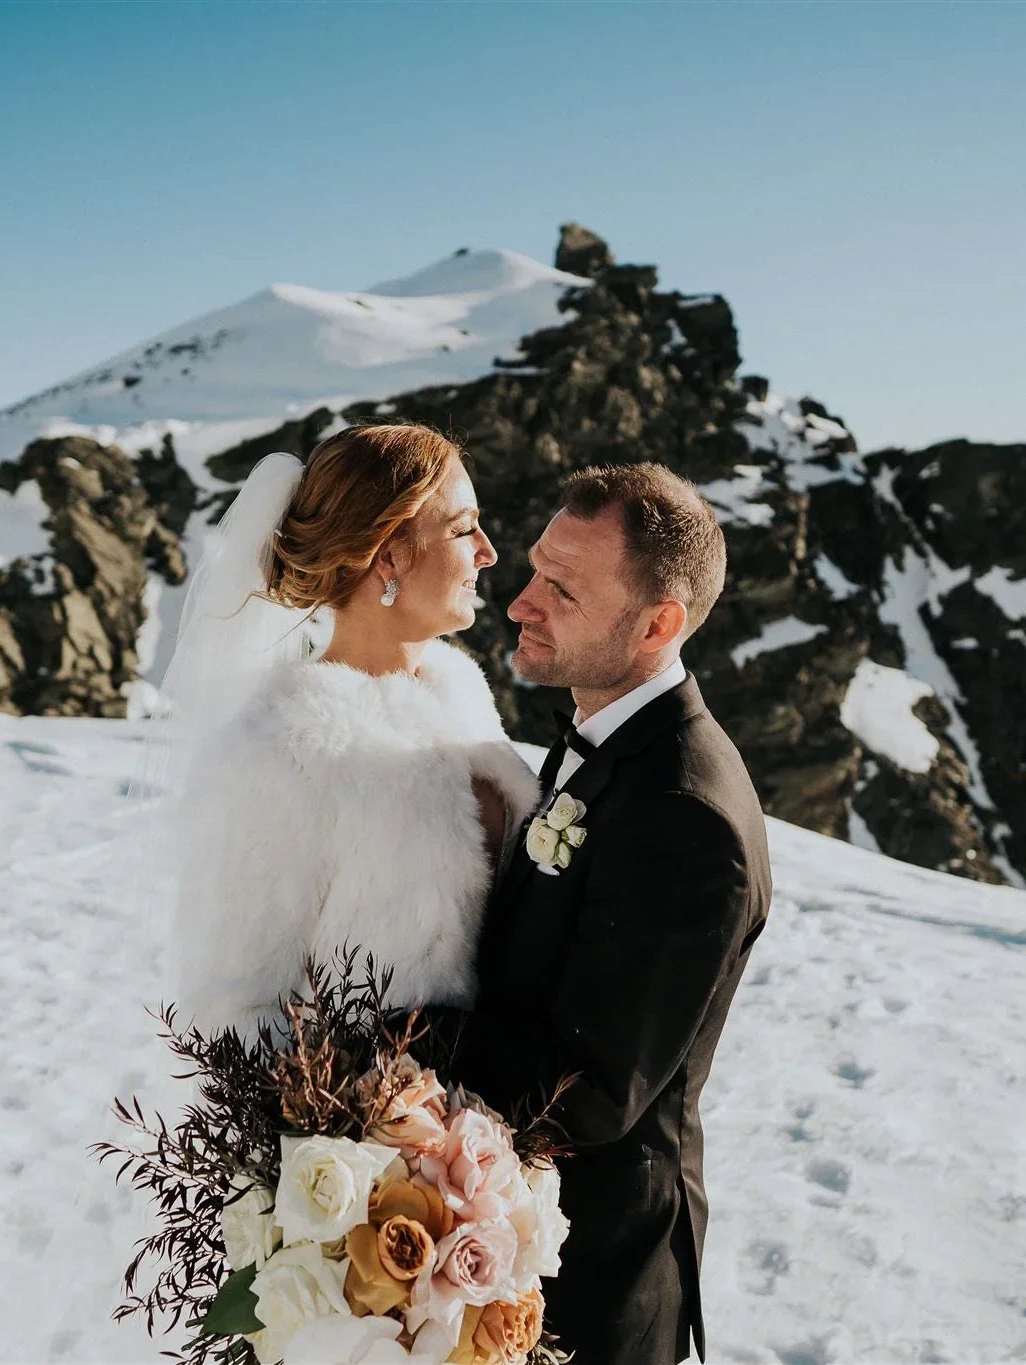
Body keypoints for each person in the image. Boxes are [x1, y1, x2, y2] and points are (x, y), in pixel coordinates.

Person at [451, 463, 773, 1365]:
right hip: (515, 1249)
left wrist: (395, 1035)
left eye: (562, 587)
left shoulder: (686, 814)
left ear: (657, 623)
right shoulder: (608, 743)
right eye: (533, 570)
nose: (519, 603)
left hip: (595, 1291)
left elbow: (588, 1092)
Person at [162, 422, 540, 1036]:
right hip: (382, 1117)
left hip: (524, 1108)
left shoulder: (463, 693)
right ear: (389, 555)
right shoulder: (281, 750)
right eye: (463, 527)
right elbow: (239, 1009)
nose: (488, 551)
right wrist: (359, 1126)